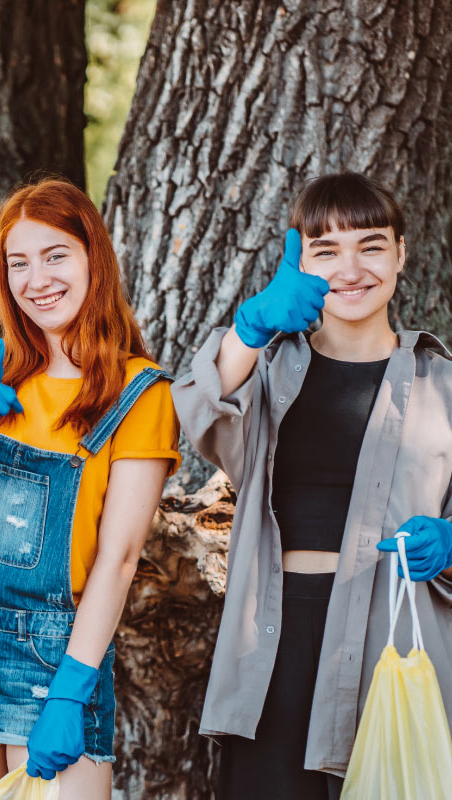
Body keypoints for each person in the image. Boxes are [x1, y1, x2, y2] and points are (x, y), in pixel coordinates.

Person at [172, 172, 452, 799]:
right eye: (326, 250)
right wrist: (249, 328)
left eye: (371, 245)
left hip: (396, 642)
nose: (351, 268)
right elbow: (198, 418)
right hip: (272, 645)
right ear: (299, 261)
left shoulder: (444, 385)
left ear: (403, 253)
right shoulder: (270, 368)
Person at [0, 177, 181, 799]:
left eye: (56, 255)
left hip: (53, 658)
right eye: (18, 263)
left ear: (94, 260)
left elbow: (120, 558)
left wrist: (72, 689)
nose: (38, 280)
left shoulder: (138, 393)